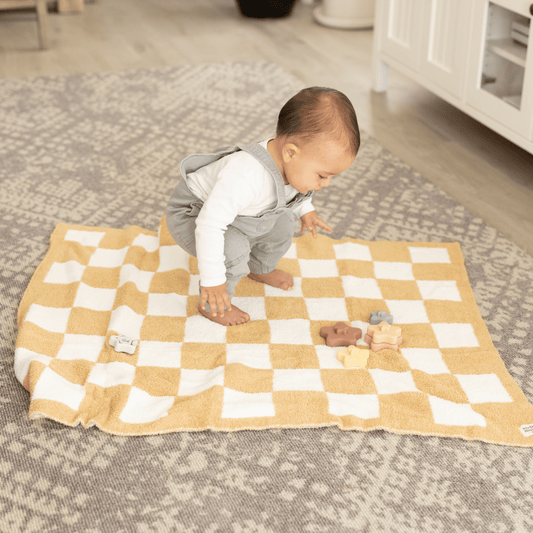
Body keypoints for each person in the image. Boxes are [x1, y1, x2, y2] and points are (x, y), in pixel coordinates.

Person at [166, 87, 360, 326]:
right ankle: (212, 304)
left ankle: (259, 267)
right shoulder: (245, 176)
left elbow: (291, 191)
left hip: (240, 213)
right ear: (291, 153)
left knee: (283, 224)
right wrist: (212, 279)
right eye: (322, 175)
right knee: (234, 250)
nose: (326, 184)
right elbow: (209, 226)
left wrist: (305, 209)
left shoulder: (292, 163)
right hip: (195, 214)